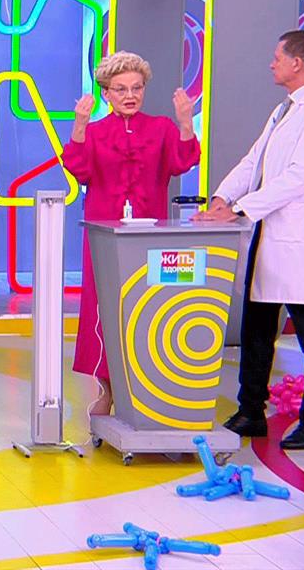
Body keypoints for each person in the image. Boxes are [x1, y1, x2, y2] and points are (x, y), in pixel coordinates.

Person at [195, 29, 304, 450]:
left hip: (302, 237)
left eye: (277, 57)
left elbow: (298, 177)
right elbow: (254, 160)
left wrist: (239, 209)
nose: (271, 63)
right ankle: (250, 410)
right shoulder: (284, 108)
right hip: (269, 231)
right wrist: (223, 197)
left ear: (297, 63)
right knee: (256, 326)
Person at [61, 51, 200, 415]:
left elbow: (183, 161)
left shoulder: (161, 128)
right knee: (104, 309)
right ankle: (107, 390)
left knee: (150, 306)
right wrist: (79, 125)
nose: (130, 95)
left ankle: (149, 389)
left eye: (136, 88)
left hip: (150, 238)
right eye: (121, 89)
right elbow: (79, 170)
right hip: (103, 236)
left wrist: (186, 122)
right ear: (106, 93)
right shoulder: (94, 132)